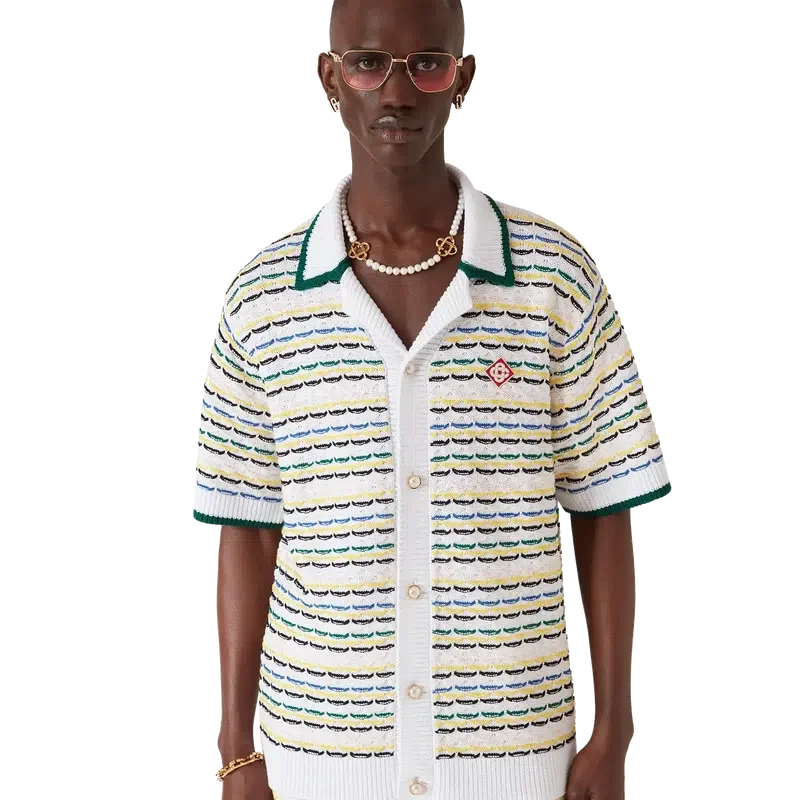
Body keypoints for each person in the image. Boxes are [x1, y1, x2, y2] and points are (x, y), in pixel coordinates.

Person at [193, 1, 672, 798]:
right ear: (328, 78)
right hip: (320, 760)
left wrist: (614, 729)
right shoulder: (260, 298)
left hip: (519, 760)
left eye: (427, 64)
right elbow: (246, 528)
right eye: (367, 63)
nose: (397, 92)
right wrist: (238, 748)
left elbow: (604, 509)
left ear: (463, 78)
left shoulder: (557, 277)